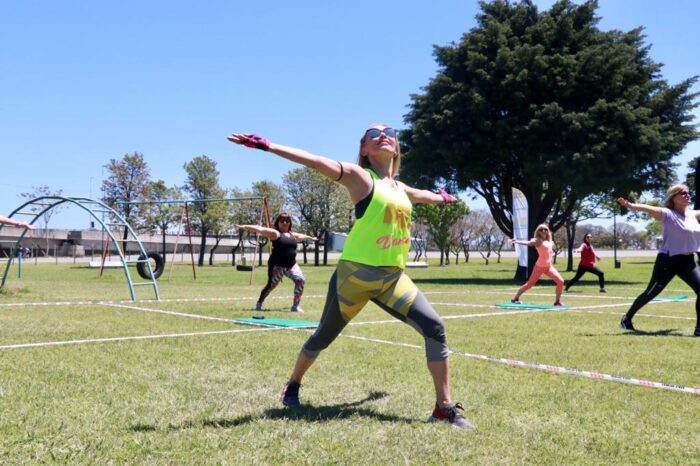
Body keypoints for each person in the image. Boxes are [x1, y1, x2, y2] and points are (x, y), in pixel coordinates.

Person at [227, 125, 475, 429]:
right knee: (322, 337)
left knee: (435, 327)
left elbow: (422, 196)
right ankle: (292, 384)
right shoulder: (361, 178)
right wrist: (269, 146)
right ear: (364, 150)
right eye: (373, 133)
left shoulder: (401, 189)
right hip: (354, 278)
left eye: (389, 132)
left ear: (397, 147)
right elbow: (314, 161)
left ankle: (443, 408)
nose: (383, 135)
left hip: (393, 279)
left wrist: (442, 199)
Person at [617, 185, 700, 337]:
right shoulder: (668, 214)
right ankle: (627, 318)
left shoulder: (693, 215)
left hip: (688, 261)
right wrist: (631, 205)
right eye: (683, 193)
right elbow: (648, 208)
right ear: (673, 197)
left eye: (689, 193)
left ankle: (699, 328)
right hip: (668, 260)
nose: (687, 195)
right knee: (651, 292)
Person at [235, 213, 317, 313]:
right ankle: (259, 302)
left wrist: (311, 238)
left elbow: (301, 236)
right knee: (271, 286)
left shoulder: (292, 234)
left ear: (290, 223)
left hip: (291, 265)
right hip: (277, 266)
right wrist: (243, 226)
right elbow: (259, 229)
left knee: (300, 280)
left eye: (287, 220)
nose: (285, 222)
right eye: (282, 220)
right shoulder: (275, 234)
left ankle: (295, 306)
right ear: (278, 222)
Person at [510, 224, 565, 306]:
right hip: (539, 267)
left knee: (560, 281)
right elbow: (528, 243)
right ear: (538, 231)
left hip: (549, 267)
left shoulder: (549, 241)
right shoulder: (538, 240)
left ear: (548, 231)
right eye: (541, 229)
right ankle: (515, 298)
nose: (543, 231)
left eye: (545, 229)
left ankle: (557, 302)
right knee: (529, 284)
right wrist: (516, 241)